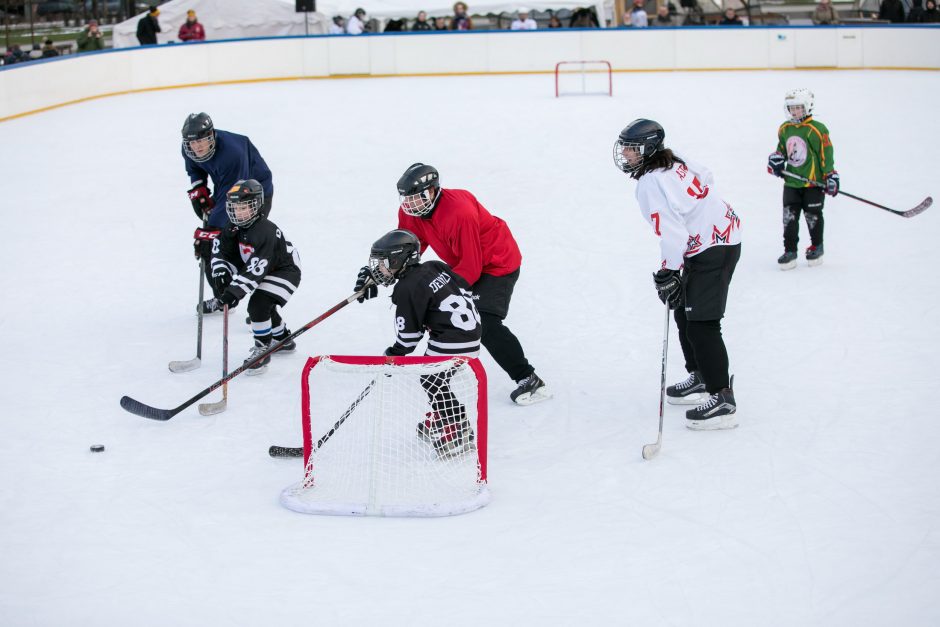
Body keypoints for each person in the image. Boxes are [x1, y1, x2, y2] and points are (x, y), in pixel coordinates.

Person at [357, 163, 550, 405]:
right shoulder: (410, 211)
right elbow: (406, 251)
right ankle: (439, 380)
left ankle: (528, 379)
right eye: (406, 198)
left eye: (418, 197)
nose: (410, 204)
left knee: (484, 321)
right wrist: (380, 273)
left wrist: (434, 296)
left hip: (496, 263)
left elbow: (471, 267)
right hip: (463, 262)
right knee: (447, 309)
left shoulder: (459, 212)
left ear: (434, 190)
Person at [613, 119, 742, 430]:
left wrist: (668, 270)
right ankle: (700, 375)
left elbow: (673, 233)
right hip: (717, 235)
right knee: (684, 312)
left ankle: (722, 397)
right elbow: (706, 176)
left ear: (646, 149)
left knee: (702, 324)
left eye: (631, 149)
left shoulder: (649, 184)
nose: (626, 155)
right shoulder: (672, 157)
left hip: (713, 247)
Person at [356, 229, 482, 456]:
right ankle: (445, 415)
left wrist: (394, 353)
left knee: (432, 381)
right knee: (437, 379)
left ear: (398, 259)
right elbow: (462, 286)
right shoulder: (434, 266)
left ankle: (457, 428)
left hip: (451, 341)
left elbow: (409, 337)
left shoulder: (406, 288)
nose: (379, 269)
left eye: (383, 263)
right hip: (471, 333)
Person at [181, 112, 274, 313]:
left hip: (255, 195)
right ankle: (222, 297)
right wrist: (199, 189)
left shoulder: (232, 153)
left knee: (248, 248)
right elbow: (195, 169)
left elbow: (232, 199)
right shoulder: (188, 148)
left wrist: (213, 231)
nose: (196, 147)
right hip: (227, 190)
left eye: (201, 141)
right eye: (192, 143)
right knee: (213, 248)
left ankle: (265, 309)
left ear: (212, 136)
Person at [210, 180, 301, 375]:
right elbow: (221, 251)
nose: (239, 212)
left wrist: (233, 293)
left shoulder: (265, 230)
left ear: (256, 206)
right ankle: (282, 339)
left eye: (244, 207)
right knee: (264, 305)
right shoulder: (232, 228)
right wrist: (220, 271)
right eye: (235, 207)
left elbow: (256, 269)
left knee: (258, 304)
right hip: (264, 268)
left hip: (284, 269)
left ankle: (263, 349)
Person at [767, 89, 837, 269]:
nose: (794, 112)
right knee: (789, 218)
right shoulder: (785, 128)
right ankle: (790, 251)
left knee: (813, 216)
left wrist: (830, 175)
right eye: (791, 108)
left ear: (807, 107)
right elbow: (782, 150)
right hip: (791, 182)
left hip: (813, 184)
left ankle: (817, 246)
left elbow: (825, 154)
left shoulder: (817, 129)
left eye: (798, 108)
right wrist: (775, 161)